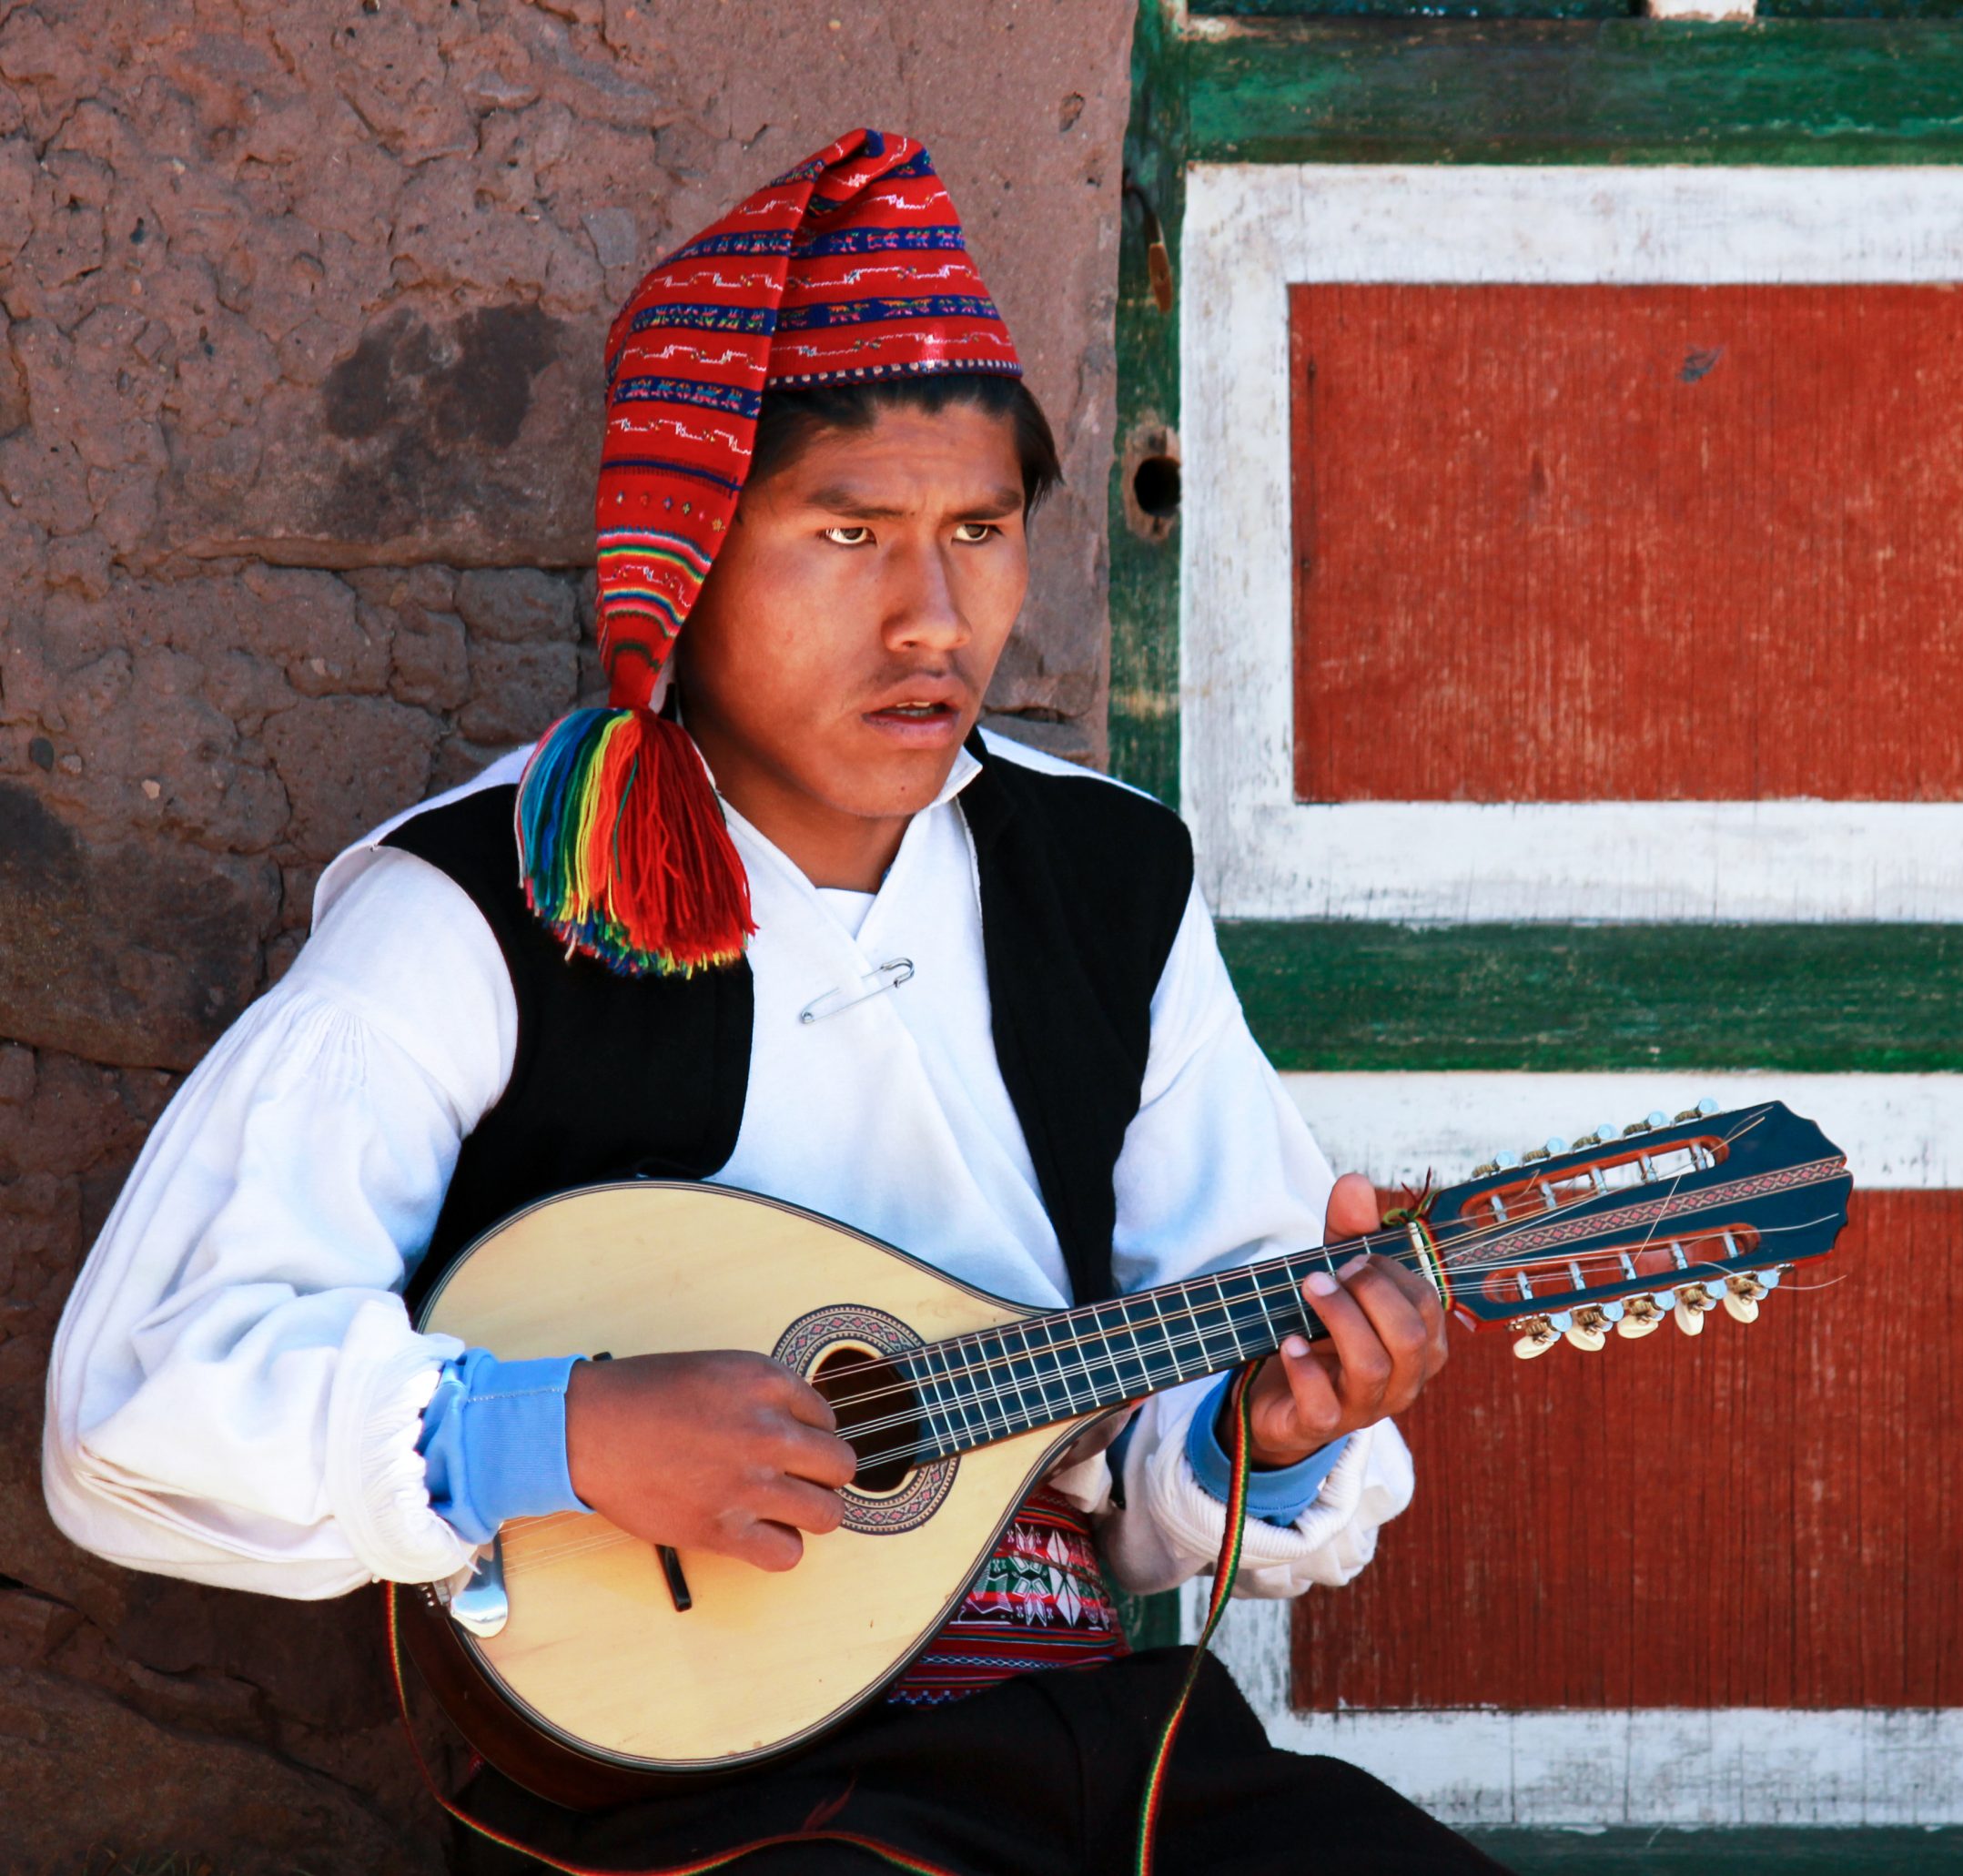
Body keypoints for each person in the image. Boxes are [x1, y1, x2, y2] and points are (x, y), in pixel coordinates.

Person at [44, 129, 1502, 1874]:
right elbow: (133, 1403)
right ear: (686, 555)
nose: (933, 615)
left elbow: (1178, 1428)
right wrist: (553, 1428)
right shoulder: (480, 912)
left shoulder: (1110, 881)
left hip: (1087, 1746)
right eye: (847, 532)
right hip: (687, 1808)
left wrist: (1260, 1423)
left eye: (980, 529)